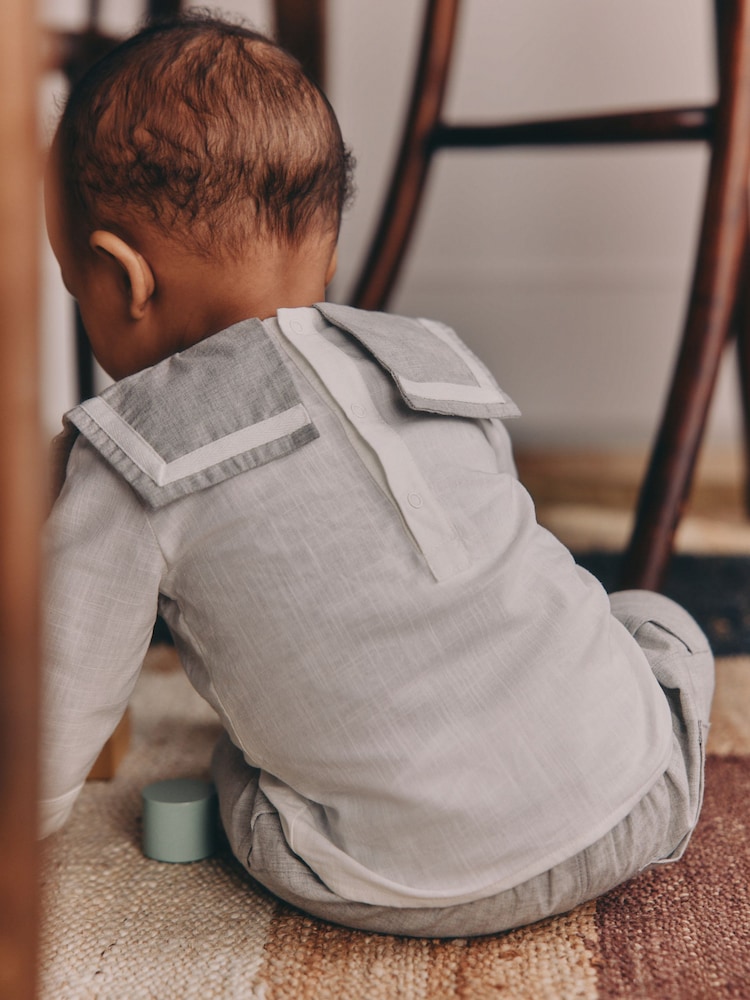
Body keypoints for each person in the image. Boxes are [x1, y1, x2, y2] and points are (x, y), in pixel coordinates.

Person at [41, 13, 714, 938]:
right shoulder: (433, 360)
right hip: (639, 796)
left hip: (406, 877)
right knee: (646, 621)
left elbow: (54, 699)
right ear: (327, 245)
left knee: (245, 775)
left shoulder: (130, 451)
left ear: (123, 279)